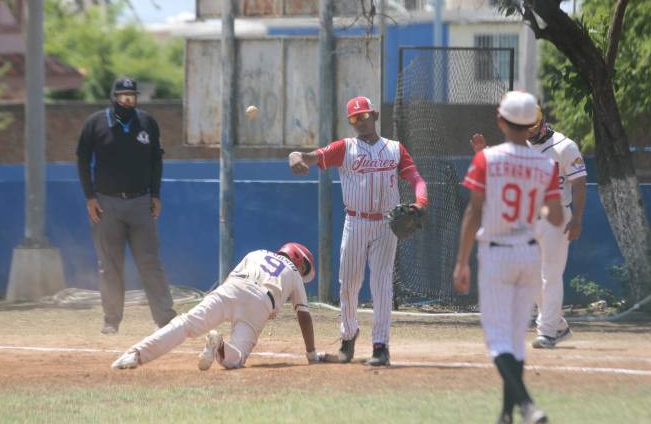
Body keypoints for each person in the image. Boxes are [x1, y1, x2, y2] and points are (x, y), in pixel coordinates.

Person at [288, 96, 428, 366]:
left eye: (363, 116)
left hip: (387, 224)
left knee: (382, 285)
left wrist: (421, 202)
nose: (359, 123)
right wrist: (295, 155)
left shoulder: (395, 149)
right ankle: (348, 340)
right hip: (355, 222)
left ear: (374, 115)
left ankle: (380, 346)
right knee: (349, 285)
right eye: (354, 119)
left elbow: (416, 179)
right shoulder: (346, 148)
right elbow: (312, 156)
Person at [454, 91, 563, 424]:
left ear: (500, 121)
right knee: (516, 340)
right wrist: (537, 207)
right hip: (531, 253)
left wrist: (461, 261)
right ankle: (506, 415)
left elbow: (474, 212)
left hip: (497, 253)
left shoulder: (487, 158)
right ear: (532, 125)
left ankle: (528, 405)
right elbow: (557, 218)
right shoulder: (547, 163)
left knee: (498, 339)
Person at [111, 243, 325, 370]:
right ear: (297, 259)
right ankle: (220, 343)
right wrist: (311, 353)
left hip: (232, 287)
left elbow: (230, 278)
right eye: (303, 265)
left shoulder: (256, 253)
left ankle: (135, 354)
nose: (301, 270)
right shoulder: (294, 273)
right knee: (237, 359)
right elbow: (303, 315)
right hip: (260, 302)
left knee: (186, 323)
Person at [76, 76, 176, 334]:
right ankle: (111, 321)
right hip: (105, 204)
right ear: (114, 98)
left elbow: (157, 161)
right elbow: (82, 161)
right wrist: (90, 197)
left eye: (132, 97)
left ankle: (165, 319)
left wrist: (156, 194)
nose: (128, 101)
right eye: (123, 96)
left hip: (141, 202)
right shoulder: (95, 123)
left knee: (150, 262)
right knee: (109, 266)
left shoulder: (147, 122)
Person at [527, 107, 587, 349]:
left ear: (543, 123)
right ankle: (559, 326)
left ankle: (548, 331)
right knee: (531, 277)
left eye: (532, 130)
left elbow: (580, 184)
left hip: (557, 215)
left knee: (550, 275)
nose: (529, 135)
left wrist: (577, 218)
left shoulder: (565, 146)